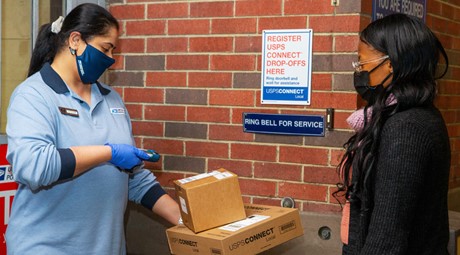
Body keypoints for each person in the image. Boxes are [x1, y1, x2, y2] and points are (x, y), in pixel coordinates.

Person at [5, 3, 180, 254]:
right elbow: (33, 166)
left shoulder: (112, 100)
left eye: (113, 51)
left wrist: (186, 222)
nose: (110, 60)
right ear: (75, 40)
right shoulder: (33, 95)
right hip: (46, 248)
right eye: (104, 48)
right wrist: (108, 153)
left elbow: (134, 179)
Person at [335, 13, 451, 254]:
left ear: (391, 63)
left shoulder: (406, 128)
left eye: (362, 62)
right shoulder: (418, 115)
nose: (359, 71)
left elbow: (388, 236)